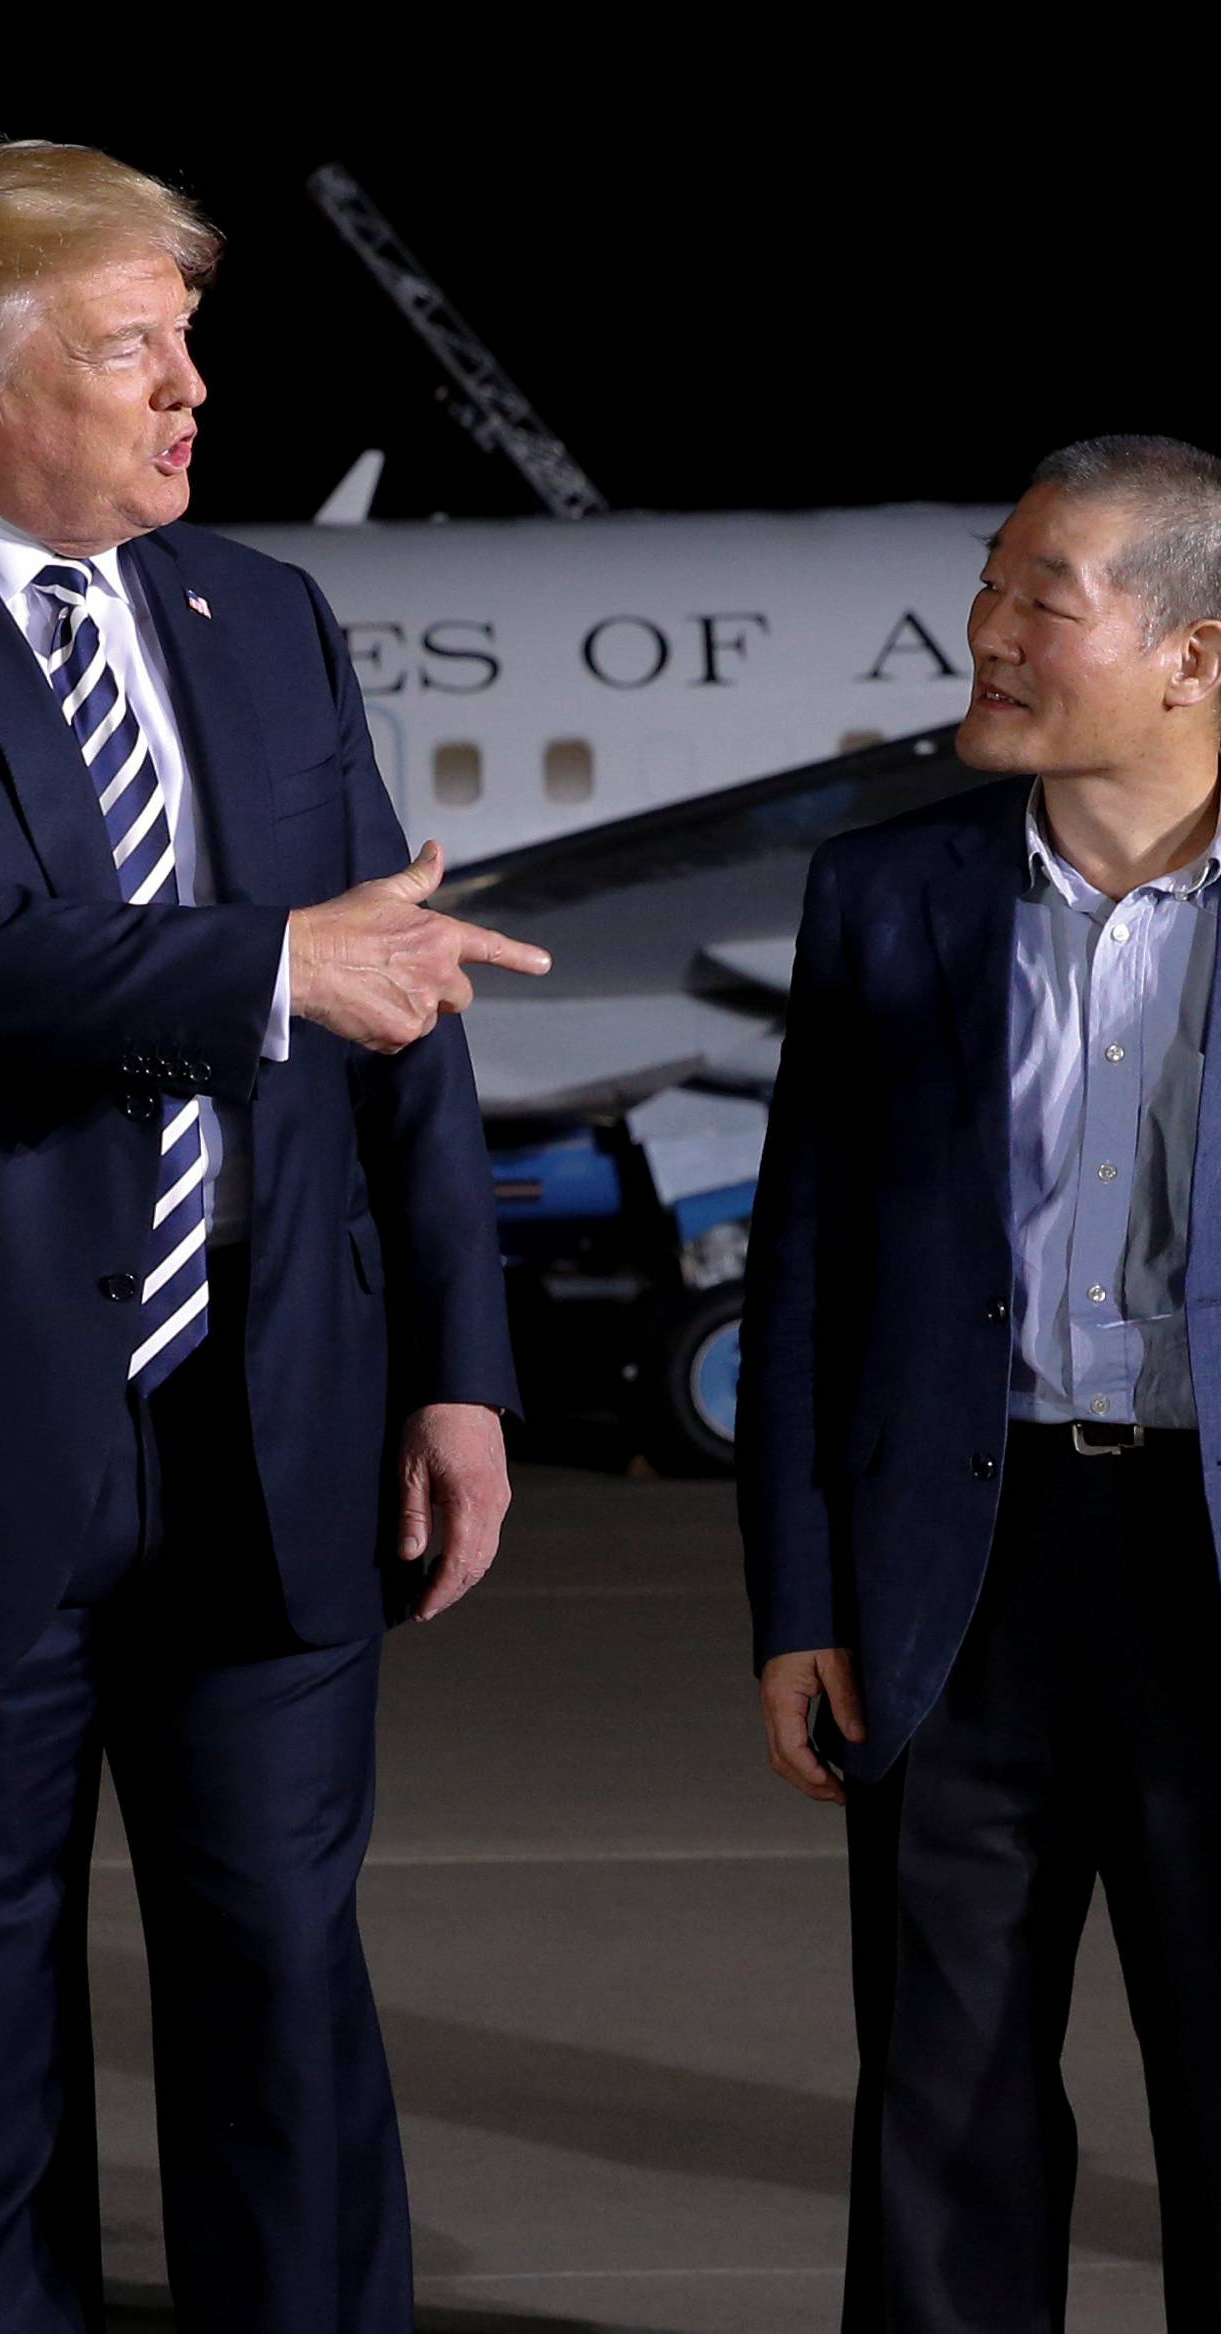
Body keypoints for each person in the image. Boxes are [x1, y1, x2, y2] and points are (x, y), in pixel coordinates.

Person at [0, 139, 549, 2333]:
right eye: (140, 348)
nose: (193, 395)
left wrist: (458, 1363)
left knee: (284, 2009)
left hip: (269, 1437)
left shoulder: (268, 619)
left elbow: (399, 1006)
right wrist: (264, 970)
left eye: (191, 343)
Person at [740, 434, 1221, 2328]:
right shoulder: (891, 894)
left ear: (1194, 651)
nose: (989, 630)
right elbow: (810, 1275)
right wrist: (802, 1599)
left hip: (1205, 1567)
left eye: (1047, 596)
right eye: (991, 584)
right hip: (968, 1567)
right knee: (940, 2102)